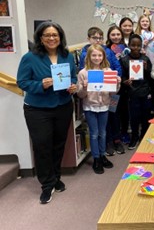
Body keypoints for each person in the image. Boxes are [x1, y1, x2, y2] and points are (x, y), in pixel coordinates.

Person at [17, 21, 77, 204]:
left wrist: (73, 86)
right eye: (47, 35)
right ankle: (46, 185)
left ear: (60, 37)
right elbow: (22, 82)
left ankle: (56, 177)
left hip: (63, 106)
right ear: (40, 38)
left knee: (58, 145)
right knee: (42, 146)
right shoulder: (30, 57)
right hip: (38, 110)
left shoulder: (67, 56)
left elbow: (72, 76)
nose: (52, 38)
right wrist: (40, 85)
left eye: (55, 35)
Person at [78, 27, 122, 156]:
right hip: (90, 106)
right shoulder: (83, 72)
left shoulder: (107, 70)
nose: (96, 58)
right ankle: (96, 157)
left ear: (103, 56)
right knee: (94, 133)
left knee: (103, 132)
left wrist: (117, 82)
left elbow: (113, 93)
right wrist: (85, 87)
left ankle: (103, 155)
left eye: (99, 55)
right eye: (94, 55)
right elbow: (80, 94)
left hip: (105, 105)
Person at [120, 34, 153, 150]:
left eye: (138, 45)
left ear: (141, 46)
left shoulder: (145, 59)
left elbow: (151, 76)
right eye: (133, 45)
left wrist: (146, 69)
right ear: (129, 45)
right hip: (132, 93)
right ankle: (134, 137)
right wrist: (125, 81)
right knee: (134, 117)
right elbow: (122, 76)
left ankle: (144, 136)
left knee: (146, 116)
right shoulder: (124, 60)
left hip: (145, 91)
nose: (135, 47)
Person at [105, 25, 127, 154]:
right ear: (109, 36)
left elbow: (118, 68)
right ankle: (109, 141)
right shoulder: (105, 50)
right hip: (105, 90)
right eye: (113, 34)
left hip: (118, 89)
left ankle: (117, 139)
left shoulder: (126, 49)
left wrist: (117, 77)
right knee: (107, 115)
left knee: (116, 114)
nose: (116, 37)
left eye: (118, 34)